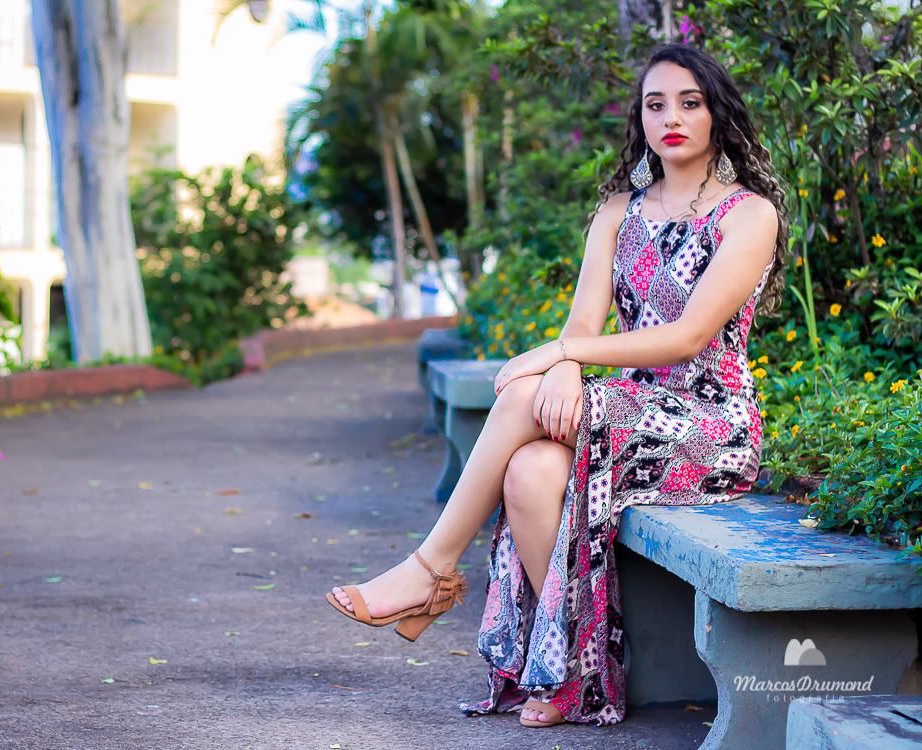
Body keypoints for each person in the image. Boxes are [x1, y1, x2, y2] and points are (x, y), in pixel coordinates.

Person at [325, 43, 787, 729]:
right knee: (532, 471)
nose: (672, 118)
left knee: (519, 398)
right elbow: (582, 322)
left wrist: (562, 354)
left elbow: (690, 337)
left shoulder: (747, 214)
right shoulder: (617, 213)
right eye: (655, 104)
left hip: (707, 423)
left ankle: (431, 568)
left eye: (690, 103)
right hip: (626, 408)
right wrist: (567, 360)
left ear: (717, 114)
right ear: (640, 117)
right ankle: (573, 676)